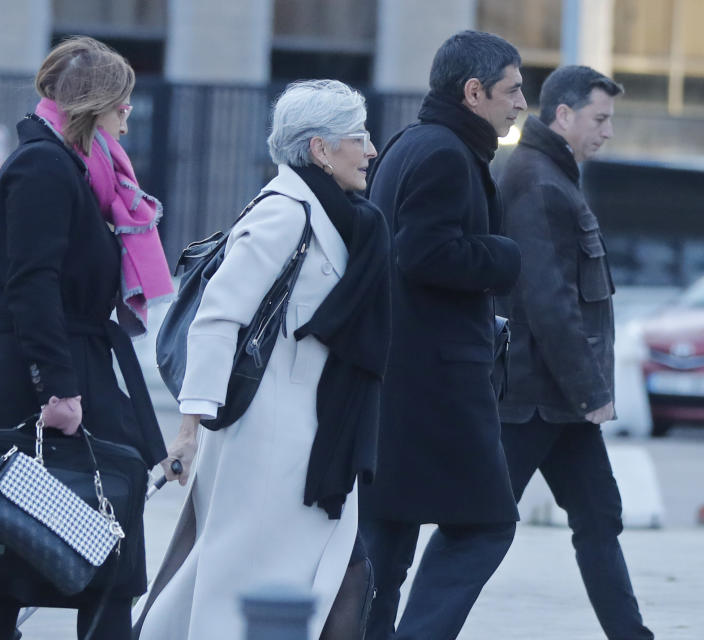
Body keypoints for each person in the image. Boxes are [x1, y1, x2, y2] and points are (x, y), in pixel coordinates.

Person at [133, 79, 389, 640]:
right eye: (359, 137)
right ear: (320, 149)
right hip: (266, 444)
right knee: (239, 580)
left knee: (325, 576)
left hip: (311, 438)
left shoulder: (341, 217)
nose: (371, 150)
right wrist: (189, 427)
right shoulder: (284, 213)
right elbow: (216, 318)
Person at [0, 36, 172, 639]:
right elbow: (31, 284)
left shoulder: (75, 167)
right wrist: (58, 389)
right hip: (46, 374)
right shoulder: (44, 166)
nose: (128, 113)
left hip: (75, 363)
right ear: (93, 105)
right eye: (121, 103)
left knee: (96, 546)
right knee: (49, 544)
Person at [360, 30, 526, 640]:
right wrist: (504, 257)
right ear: (474, 91)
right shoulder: (444, 154)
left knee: (387, 534)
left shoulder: (413, 143)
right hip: (437, 381)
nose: (520, 104)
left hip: (400, 375)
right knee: (486, 524)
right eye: (512, 90)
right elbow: (422, 253)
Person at [496, 65, 656, 639]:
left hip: (559, 403)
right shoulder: (538, 182)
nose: (608, 131)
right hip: (535, 398)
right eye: (600, 118)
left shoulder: (554, 176)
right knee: (481, 528)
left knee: (598, 517)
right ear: (563, 115)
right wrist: (592, 391)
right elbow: (549, 300)